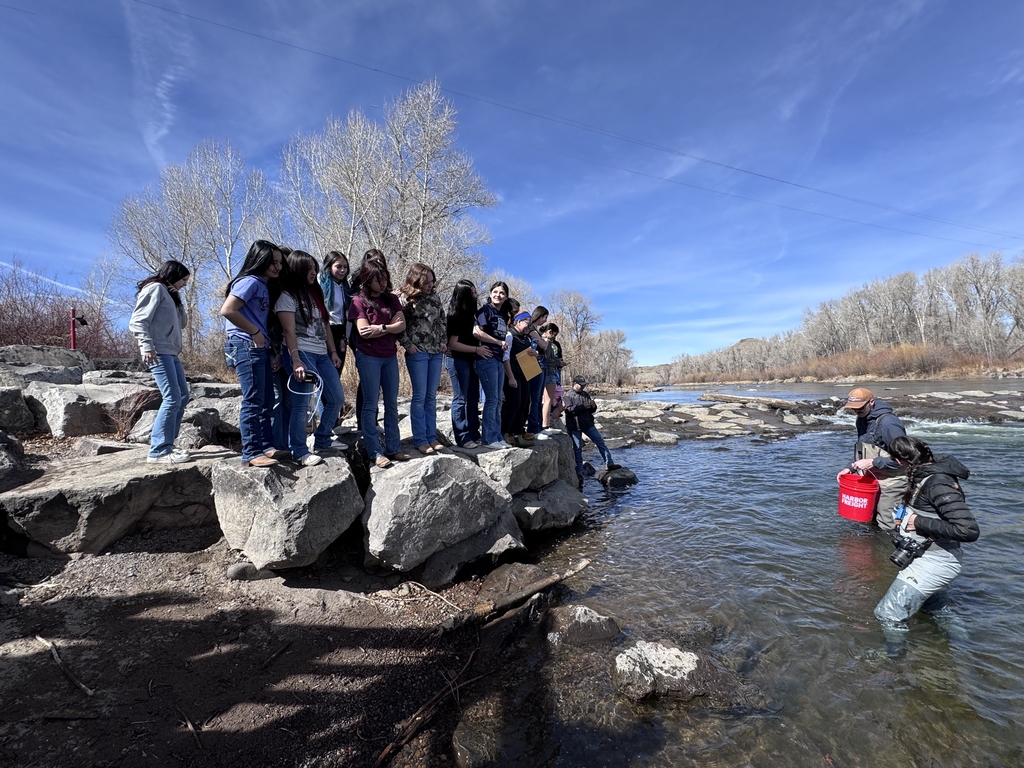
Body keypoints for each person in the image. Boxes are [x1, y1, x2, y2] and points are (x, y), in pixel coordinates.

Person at [874, 435, 979, 641]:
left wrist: (918, 522)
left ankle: (893, 661)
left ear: (900, 461)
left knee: (888, 613)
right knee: (936, 610)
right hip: (928, 556)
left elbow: (968, 530)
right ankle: (965, 653)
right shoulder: (924, 474)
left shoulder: (937, 483)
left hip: (936, 561)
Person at [275, 250, 344, 467]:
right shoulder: (287, 296)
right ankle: (299, 450)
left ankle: (322, 439)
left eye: (315, 267)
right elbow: (288, 331)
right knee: (301, 403)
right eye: (309, 268)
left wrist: (333, 352)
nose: (313, 272)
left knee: (336, 398)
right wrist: (295, 359)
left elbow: (326, 325)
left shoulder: (316, 294)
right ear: (297, 270)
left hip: (322, 353)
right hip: (301, 353)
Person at [220, 240, 283, 468]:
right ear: (259, 261)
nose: (278, 267)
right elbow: (227, 310)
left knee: (266, 398)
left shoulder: (264, 284)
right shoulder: (250, 281)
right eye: (272, 262)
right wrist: (255, 331)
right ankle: (251, 452)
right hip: (245, 344)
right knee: (254, 399)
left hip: (258, 347)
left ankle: (266, 445)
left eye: (279, 263)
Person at [128, 260, 192, 464]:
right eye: (183, 280)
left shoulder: (170, 294)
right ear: (174, 275)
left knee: (182, 395)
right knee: (172, 397)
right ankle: (158, 450)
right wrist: (146, 345)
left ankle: (168, 445)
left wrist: (178, 298)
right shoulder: (155, 288)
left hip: (171, 353)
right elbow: (137, 320)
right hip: (157, 352)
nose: (185, 284)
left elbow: (182, 324)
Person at [349, 258, 408, 468]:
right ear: (367, 280)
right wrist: (387, 327)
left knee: (392, 404)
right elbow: (363, 332)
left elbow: (401, 325)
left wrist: (380, 329)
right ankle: (375, 451)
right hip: (368, 357)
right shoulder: (358, 301)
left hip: (390, 356)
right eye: (377, 280)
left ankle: (394, 448)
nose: (382, 283)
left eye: (385, 279)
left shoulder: (392, 299)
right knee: (370, 404)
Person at [835, 387, 908, 531]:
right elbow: (863, 449)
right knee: (869, 519)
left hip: (893, 483)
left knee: (888, 525)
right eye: (853, 408)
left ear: (871, 402)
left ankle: (888, 551)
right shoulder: (862, 420)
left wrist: (873, 462)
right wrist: (849, 468)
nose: (856, 411)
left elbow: (905, 459)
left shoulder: (889, 424)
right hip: (873, 480)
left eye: (860, 408)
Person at [397, 263, 447, 455]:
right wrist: (407, 344)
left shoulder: (435, 298)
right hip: (417, 352)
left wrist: (443, 341)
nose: (430, 285)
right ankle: (420, 439)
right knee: (419, 396)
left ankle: (432, 437)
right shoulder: (405, 299)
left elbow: (442, 321)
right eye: (427, 281)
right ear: (417, 279)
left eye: (432, 281)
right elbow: (398, 324)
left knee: (431, 397)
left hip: (436, 352)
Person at [444, 280, 486, 449]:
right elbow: (452, 344)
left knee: (473, 398)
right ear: (465, 295)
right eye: (473, 293)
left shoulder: (471, 314)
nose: (476, 296)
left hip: (471, 359)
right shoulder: (455, 315)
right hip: (456, 359)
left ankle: (474, 434)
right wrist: (477, 349)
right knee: (460, 398)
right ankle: (462, 437)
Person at [562, 375, 620, 489]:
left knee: (600, 442)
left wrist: (593, 406)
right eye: (581, 385)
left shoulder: (585, 394)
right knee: (577, 448)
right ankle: (579, 471)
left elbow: (592, 410)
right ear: (575, 383)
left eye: (584, 385)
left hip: (588, 424)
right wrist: (583, 406)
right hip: (575, 426)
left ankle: (609, 463)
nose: (583, 387)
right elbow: (569, 410)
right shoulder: (567, 395)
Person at [473, 281, 511, 448]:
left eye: (502, 293)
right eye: (495, 291)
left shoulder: (502, 316)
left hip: (498, 359)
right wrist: (496, 341)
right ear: (490, 293)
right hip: (486, 359)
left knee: (497, 400)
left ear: (506, 297)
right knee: (492, 399)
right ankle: (488, 439)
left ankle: (497, 437)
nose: (498, 295)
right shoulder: (484, 311)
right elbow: (477, 332)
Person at [501, 311, 539, 447]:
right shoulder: (510, 335)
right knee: (513, 404)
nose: (529, 325)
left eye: (530, 323)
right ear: (518, 322)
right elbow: (505, 357)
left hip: (525, 375)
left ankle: (518, 434)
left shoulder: (527, 338)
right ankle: (505, 433)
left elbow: (531, 354)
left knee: (524, 404)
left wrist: (536, 353)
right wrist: (511, 377)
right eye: (527, 322)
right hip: (513, 374)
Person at [318, 250, 353, 374]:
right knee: (326, 375)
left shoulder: (345, 287)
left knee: (336, 373)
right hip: (325, 331)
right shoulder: (320, 284)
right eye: (338, 267)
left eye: (345, 267)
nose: (342, 270)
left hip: (341, 333)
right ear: (329, 267)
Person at [525, 306, 550, 438]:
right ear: (539, 315)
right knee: (534, 398)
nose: (545, 321)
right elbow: (543, 346)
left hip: (541, 362)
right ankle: (533, 428)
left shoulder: (536, 330)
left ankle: (539, 426)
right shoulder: (531, 329)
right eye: (544, 317)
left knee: (539, 397)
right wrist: (545, 340)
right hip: (535, 363)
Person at [539, 322, 565, 432]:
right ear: (549, 332)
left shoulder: (553, 343)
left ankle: (547, 423)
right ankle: (545, 425)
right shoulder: (545, 342)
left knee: (548, 400)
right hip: (547, 372)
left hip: (551, 372)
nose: (555, 337)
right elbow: (548, 360)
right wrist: (557, 363)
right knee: (547, 400)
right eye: (554, 334)